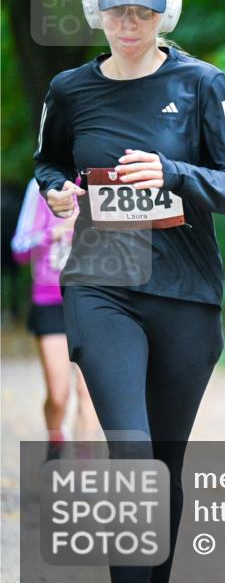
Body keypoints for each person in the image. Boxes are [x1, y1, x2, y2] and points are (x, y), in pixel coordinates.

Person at [33, 0, 225, 583]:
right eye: (116, 12)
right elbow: (49, 163)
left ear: (168, 13)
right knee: (129, 454)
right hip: (102, 280)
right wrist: (57, 192)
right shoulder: (69, 89)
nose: (129, 24)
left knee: (164, 463)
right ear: (94, 13)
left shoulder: (204, 86)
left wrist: (173, 174)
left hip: (186, 291)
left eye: (143, 12)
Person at [12, 179, 100, 459]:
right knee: (58, 395)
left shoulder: (101, 181)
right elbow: (20, 248)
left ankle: (83, 471)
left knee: (90, 396)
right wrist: (56, 233)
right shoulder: (40, 187)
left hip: (95, 302)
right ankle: (55, 443)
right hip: (50, 301)